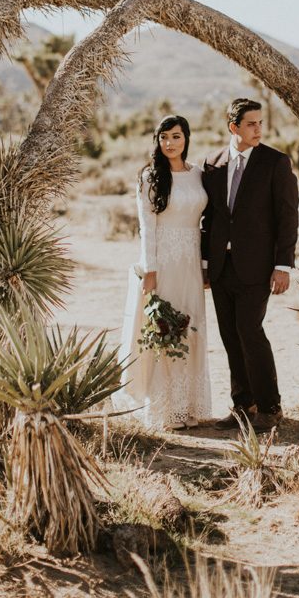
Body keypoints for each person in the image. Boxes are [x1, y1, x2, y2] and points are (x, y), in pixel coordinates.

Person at [201, 98, 299, 432]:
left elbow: (288, 216)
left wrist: (283, 266)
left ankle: (270, 407)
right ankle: (243, 406)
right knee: (230, 336)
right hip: (220, 266)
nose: (259, 129)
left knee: (250, 332)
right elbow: (210, 218)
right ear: (234, 128)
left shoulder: (276, 162)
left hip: (257, 267)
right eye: (251, 124)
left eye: (260, 123)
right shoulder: (212, 164)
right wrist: (204, 264)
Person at [113, 114, 211, 430]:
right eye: (164, 137)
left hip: (192, 263)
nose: (169, 143)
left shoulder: (198, 174)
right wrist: (151, 270)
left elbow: (207, 223)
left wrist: (206, 266)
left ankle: (189, 407)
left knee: (191, 326)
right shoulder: (150, 177)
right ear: (157, 140)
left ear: (187, 139)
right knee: (166, 329)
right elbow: (147, 228)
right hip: (164, 262)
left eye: (176, 136)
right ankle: (165, 409)